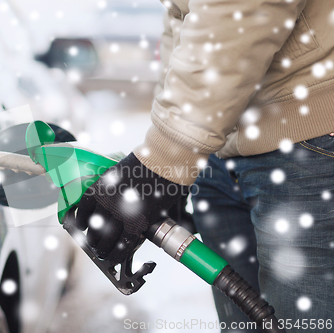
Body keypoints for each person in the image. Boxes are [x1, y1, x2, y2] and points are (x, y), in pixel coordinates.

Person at [75, 0, 334, 332]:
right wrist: (177, 156)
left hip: (305, 143)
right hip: (220, 148)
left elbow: (240, 9)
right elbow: (182, 18)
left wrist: (166, 158)